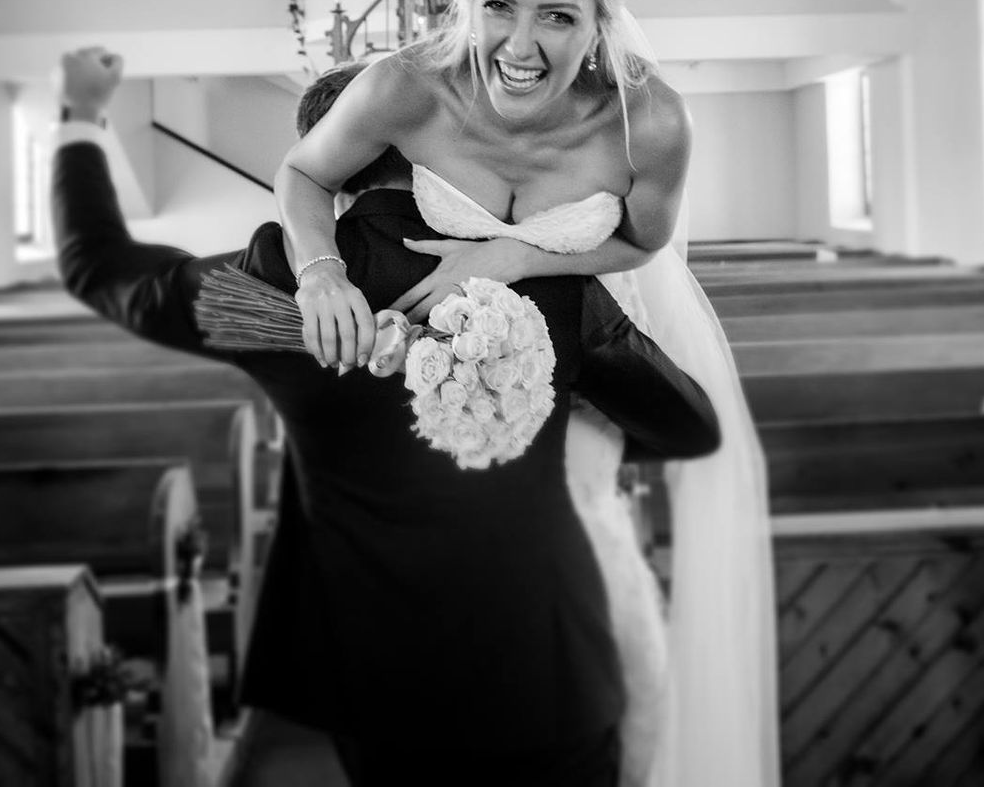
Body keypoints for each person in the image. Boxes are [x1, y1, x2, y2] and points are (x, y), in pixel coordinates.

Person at [52, 50, 719, 787]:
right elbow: (690, 427)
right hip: (548, 666)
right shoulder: (533, 274)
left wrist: (82, 115)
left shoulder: (268, 286)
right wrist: (559, 424)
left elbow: (96, 263)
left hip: (377, 679)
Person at [276, 0, 779, 787]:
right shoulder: (404, 86)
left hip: (580, 375)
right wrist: (320, 273)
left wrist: (520, 256)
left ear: (601, 23)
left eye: (558, 15)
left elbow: (643, 239)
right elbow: (304, 174)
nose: (519, 43)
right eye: (498, 6)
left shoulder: (649, 121)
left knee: (587, 658)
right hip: (449, 423)